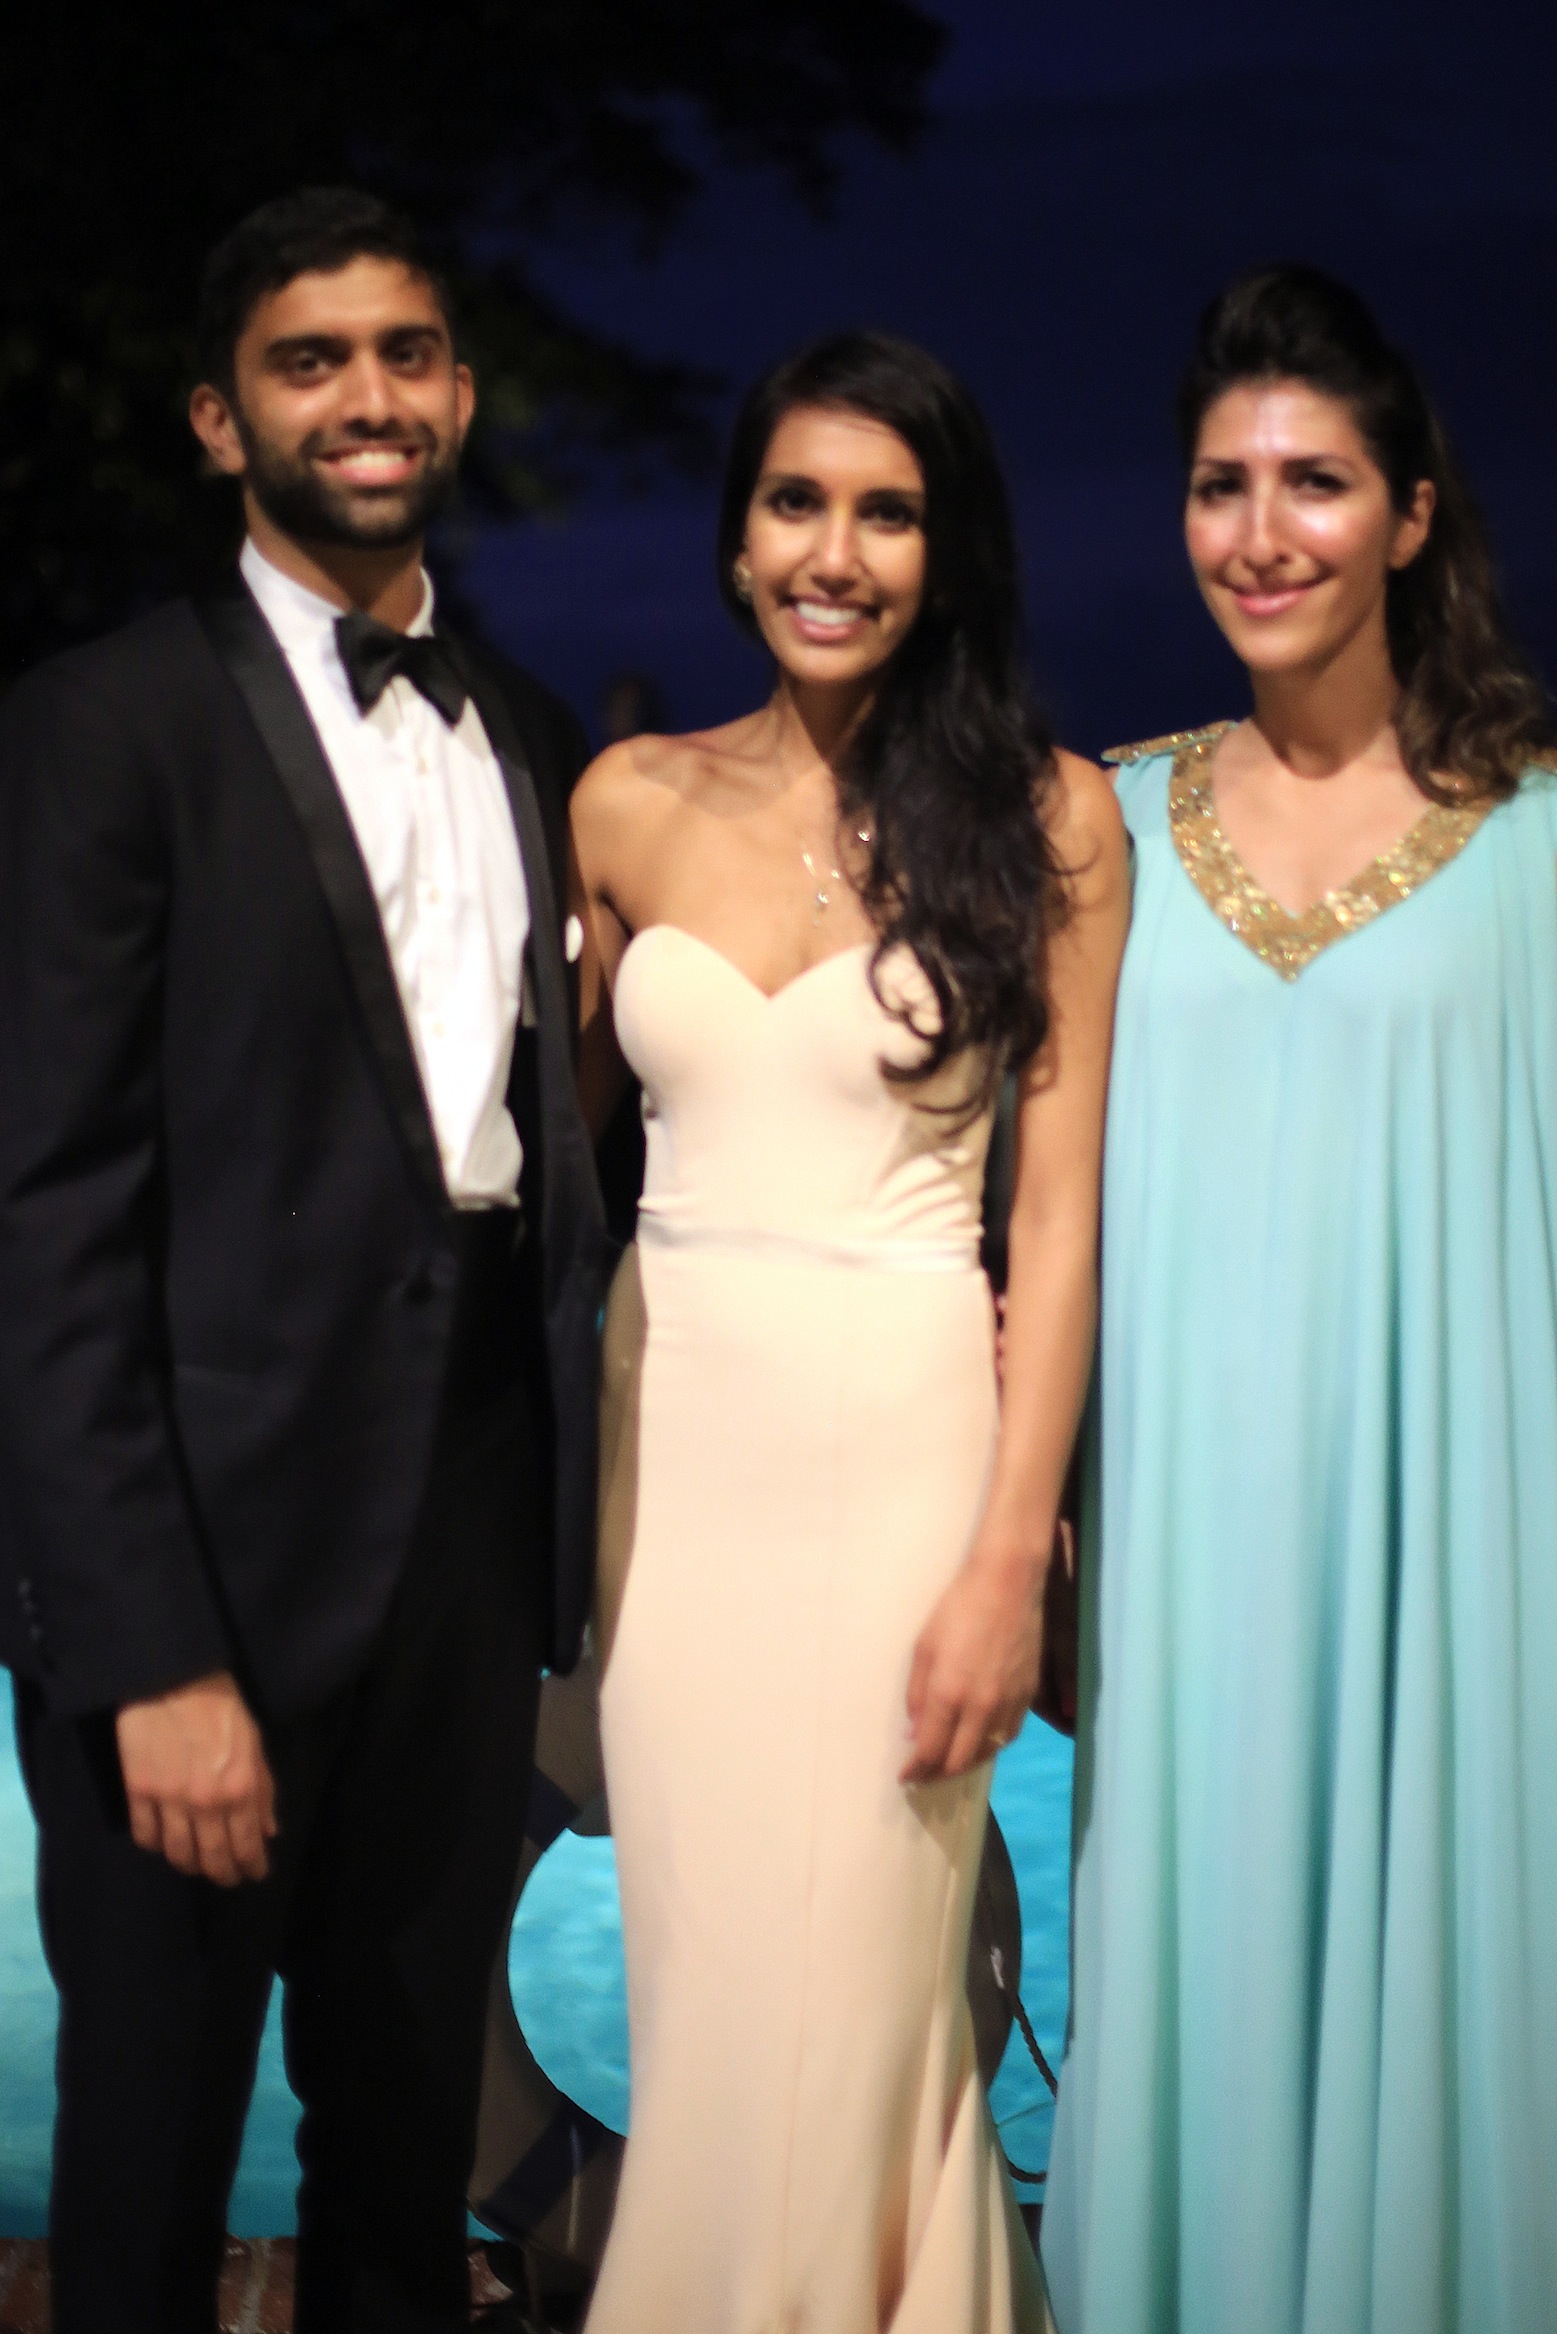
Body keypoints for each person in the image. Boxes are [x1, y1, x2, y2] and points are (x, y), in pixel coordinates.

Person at [0, 187, 606, 2334]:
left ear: (456, 387)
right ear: (212, 417)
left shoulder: (531, 735)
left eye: (408, 352)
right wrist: (143, 1653)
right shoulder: (104, 725)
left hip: (460, 1543)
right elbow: (47, 1217)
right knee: (152, 2160)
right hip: (204, 1565)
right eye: (309, 358)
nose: (371, 396)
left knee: (400, 2151)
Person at [570, 331, 1128, 2333]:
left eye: (884, 511)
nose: (834, 550)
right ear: (734, 541)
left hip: (904, 1455)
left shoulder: (1051, 820)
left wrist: (1004, 1556)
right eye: (794, 501)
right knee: (711, 1998)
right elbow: (541, 1179)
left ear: (943, 551)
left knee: (871, 2011)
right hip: (669, 1473)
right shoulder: (621, 803)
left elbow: (1054, 1227)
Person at [1041, 265, 1557, 2334]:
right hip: (1180, 1565)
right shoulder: (1099, 822)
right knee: (1199, 1959)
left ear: (1411, 516)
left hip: (1467, 1571)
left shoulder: (1532, 843)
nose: (1256, 534)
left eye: (1313, 483)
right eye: (1213, 485)